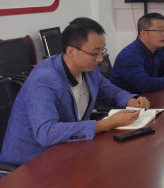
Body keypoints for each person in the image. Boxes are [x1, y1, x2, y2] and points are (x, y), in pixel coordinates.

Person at [0, 18, 150, 167]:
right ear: (71, 51)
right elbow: (46, 132)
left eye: (102, 51)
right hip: (29, 163)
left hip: (68, 151)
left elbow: (111, 91)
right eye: (94, 53)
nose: (99, 59)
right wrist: (105, 124)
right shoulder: (44, 79)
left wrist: (131, 100)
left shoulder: (89, 69)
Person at [110, 13, 164, 94]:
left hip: (146, 97)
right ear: (143, 34)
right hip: (126, 101)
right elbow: (144, 84)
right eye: (159, 30)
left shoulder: (156, 51)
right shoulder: (130, 55)